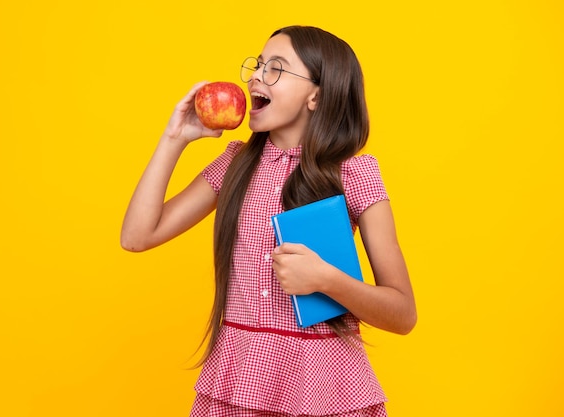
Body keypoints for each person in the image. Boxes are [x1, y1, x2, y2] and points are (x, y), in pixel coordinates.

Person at [121, 25, 416, 417]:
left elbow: (403, 314)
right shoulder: (235, 164)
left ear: (316, 95)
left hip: (322, 385)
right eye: (258, 65)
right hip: (236, 379)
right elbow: (137, 236)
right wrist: (175, 137)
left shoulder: (353, 175)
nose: (255, 77)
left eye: (276, 68)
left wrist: (327, 280)